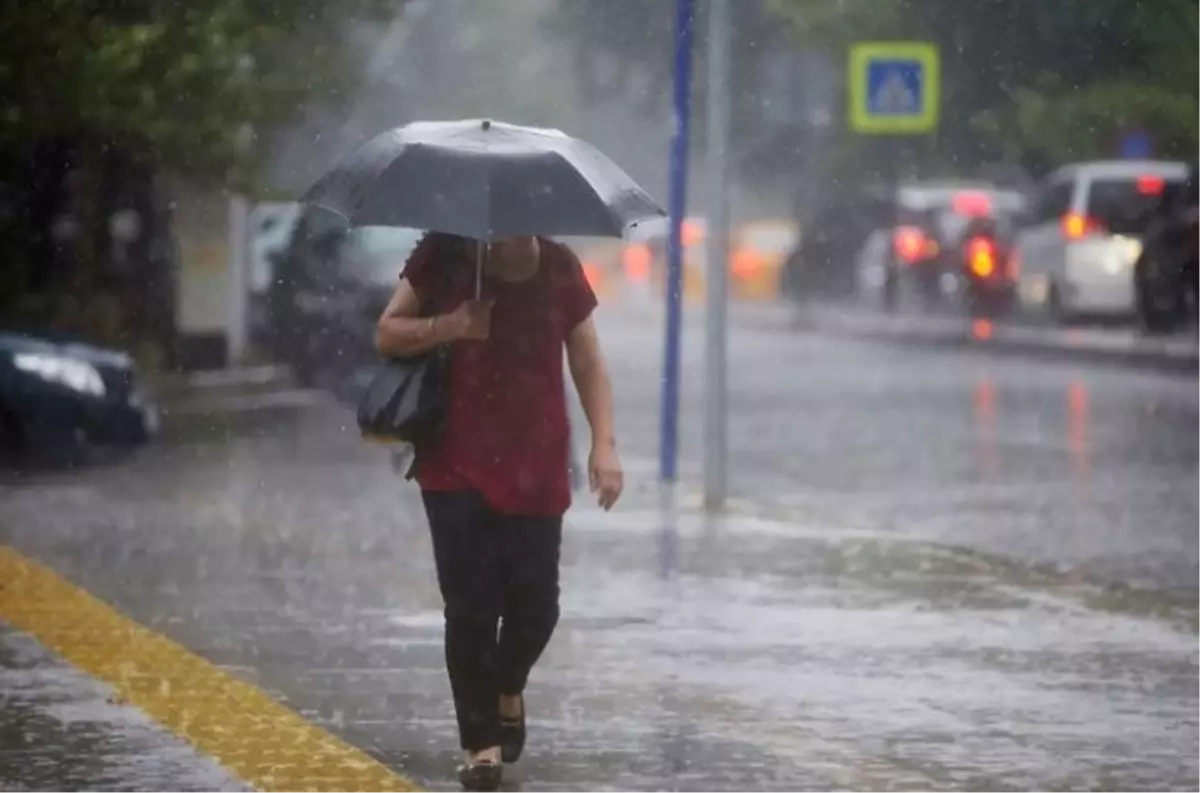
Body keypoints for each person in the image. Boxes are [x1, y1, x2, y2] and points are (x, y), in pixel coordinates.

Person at [375, 232, 623, 790]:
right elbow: (387, 332)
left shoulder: (558, 266)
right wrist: (451, 325)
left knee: (537, 608)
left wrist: (604, 444)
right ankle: (480, 744)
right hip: (454, 462)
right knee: (471, 608)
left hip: (536, 460)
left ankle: (508, 684)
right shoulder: (444, 254)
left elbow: (587, 359)